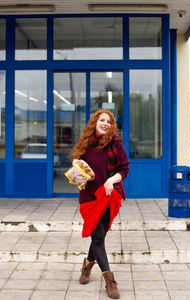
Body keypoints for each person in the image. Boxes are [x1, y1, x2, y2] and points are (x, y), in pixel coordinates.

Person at [71, 109, 129, 299]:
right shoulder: (86, 143)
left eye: (109, 121)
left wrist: (111, 181)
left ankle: (87, 266)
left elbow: (124, 169)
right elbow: (76, 164)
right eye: (102, 120)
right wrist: (76, 171)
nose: (105, 123)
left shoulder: (116, 144)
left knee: (100, 237)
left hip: (108, 196)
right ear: (94, 123)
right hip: (88, 198)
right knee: (97, 238)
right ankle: (110, 281)